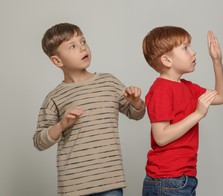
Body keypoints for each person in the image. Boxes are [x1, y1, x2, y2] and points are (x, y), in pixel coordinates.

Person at [33, 22, 146, 196]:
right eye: (72, 46)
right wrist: (61, 125)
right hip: (73, 186)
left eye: (83, 41)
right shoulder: (54, 97)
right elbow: (39, 141)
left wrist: (136, 102)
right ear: (57, 60)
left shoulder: (109, 82)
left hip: (110, 182)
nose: (82, 48)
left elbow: (136, 114)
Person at [141, 26, 223, 195]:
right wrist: (197, 114)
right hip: (167, 180)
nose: (193, 52)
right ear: (167, 60)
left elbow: (222, 96)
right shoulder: (161, 90)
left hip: (182, 178)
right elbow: (161, 137)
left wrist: (217, 61)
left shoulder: (187, 87)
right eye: (185, 48)